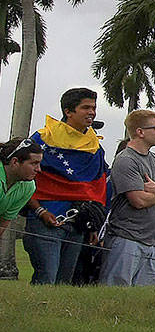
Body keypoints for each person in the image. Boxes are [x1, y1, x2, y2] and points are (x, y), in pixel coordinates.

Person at [21, 88, 111, 284]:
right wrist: (40, 211)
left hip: (78, 225)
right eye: (85, 107)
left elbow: (97, 187)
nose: (91, 112)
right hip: (45, 222)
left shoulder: (95, 146)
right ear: (68, 111)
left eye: (94, 108)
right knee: (46, 279)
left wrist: (94, 224)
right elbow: (22, 179)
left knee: (64, 284)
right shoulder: (43, 138)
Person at [100, 110, 155, 286]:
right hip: (125, 240)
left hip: (154, 244)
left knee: (147, 299)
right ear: (140, 132)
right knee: (116, 296)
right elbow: (138, 200)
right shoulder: (126, 160)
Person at [0, 137, 42, 243]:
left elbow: (2, 224)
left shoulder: (28, 187)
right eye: (34, 163)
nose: (38, 169)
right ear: (15, 162)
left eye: (39, 163)